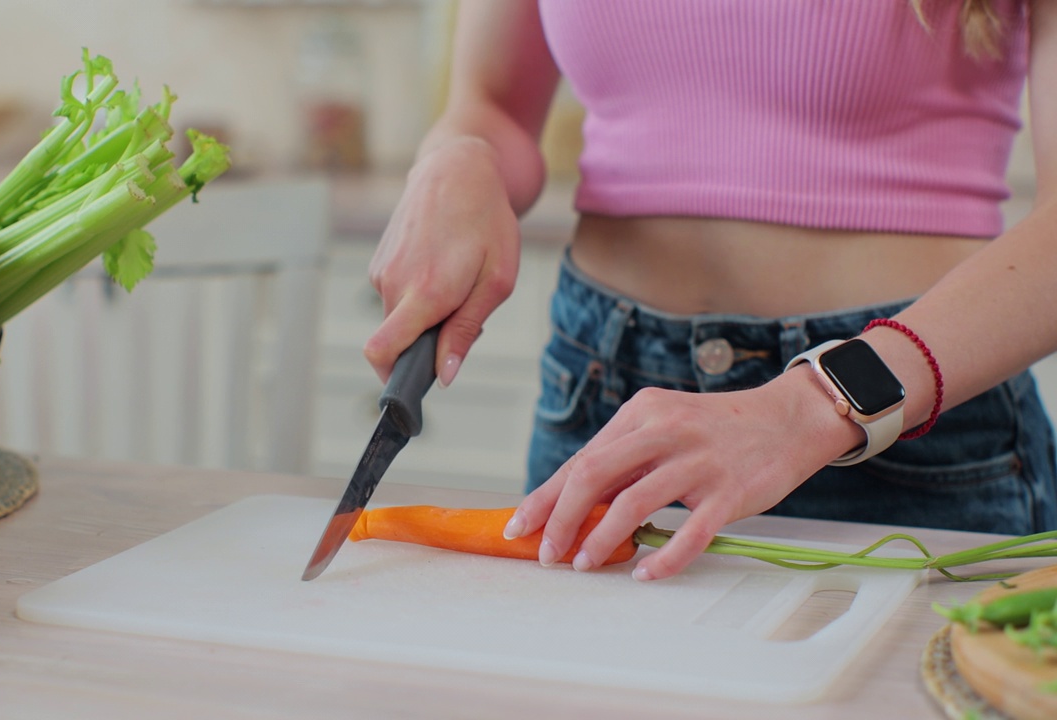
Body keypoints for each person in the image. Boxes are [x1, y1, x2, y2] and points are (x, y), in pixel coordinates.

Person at [363, 0, 1057, 582]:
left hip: (903, 420)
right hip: (607, 396)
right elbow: (492, 106)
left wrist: (817, 402)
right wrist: (458, 156)